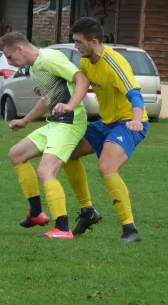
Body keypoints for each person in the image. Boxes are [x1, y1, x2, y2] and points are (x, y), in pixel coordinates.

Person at [0, 32, 95, 239]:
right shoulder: (35, 67)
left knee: (46, 170)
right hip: (55, 123)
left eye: (9, 57)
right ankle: (35, 213)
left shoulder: (50, 59)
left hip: (69, 123)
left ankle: (62, 228)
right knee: (16, 154)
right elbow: (49, 98)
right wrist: (25, 120)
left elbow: (82, 80)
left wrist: (69, 106)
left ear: (20, 49)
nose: (10, 62)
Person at [64, 17, 149, 242]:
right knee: (66, 153)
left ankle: (130, 230)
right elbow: (78, 85)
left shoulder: (114, 63)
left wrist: (136, 120)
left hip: (128, 123)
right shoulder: (85, 61)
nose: (76, 46)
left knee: (106, 168)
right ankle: (87, 212)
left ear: (94, 42)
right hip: (106, 123)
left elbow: (135, 95)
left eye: (79, 42)